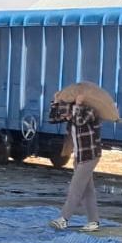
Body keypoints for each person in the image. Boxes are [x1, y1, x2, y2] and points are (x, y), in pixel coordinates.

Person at [50, 96, 103, 232]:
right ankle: (93, 222)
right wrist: (55, 104)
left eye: (68, 114)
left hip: (90, 156)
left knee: (75, 189)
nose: (66, 117)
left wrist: (77, 106)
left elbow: (80, 121)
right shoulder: (73, 114)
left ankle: (63, 219)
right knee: (87, 190)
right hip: (79, 157)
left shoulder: (90, 111)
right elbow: (53, 119)